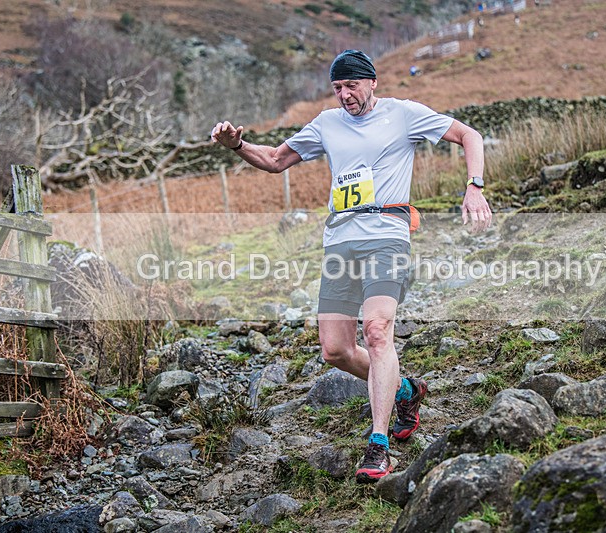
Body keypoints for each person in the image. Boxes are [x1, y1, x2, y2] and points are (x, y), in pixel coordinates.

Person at [211, 49, 492, 483]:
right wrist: (237, 146)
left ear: (372, 82)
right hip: (340, 241)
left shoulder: (403, 114)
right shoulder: (327, 123)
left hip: (387, 236)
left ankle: (378, 445)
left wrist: (474, 186)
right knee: (335, 350)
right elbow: (276, 160)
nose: (344, 95)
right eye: (337, 88)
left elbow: (468, 135)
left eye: (352, 86)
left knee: (377, 331)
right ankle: (405, 390)